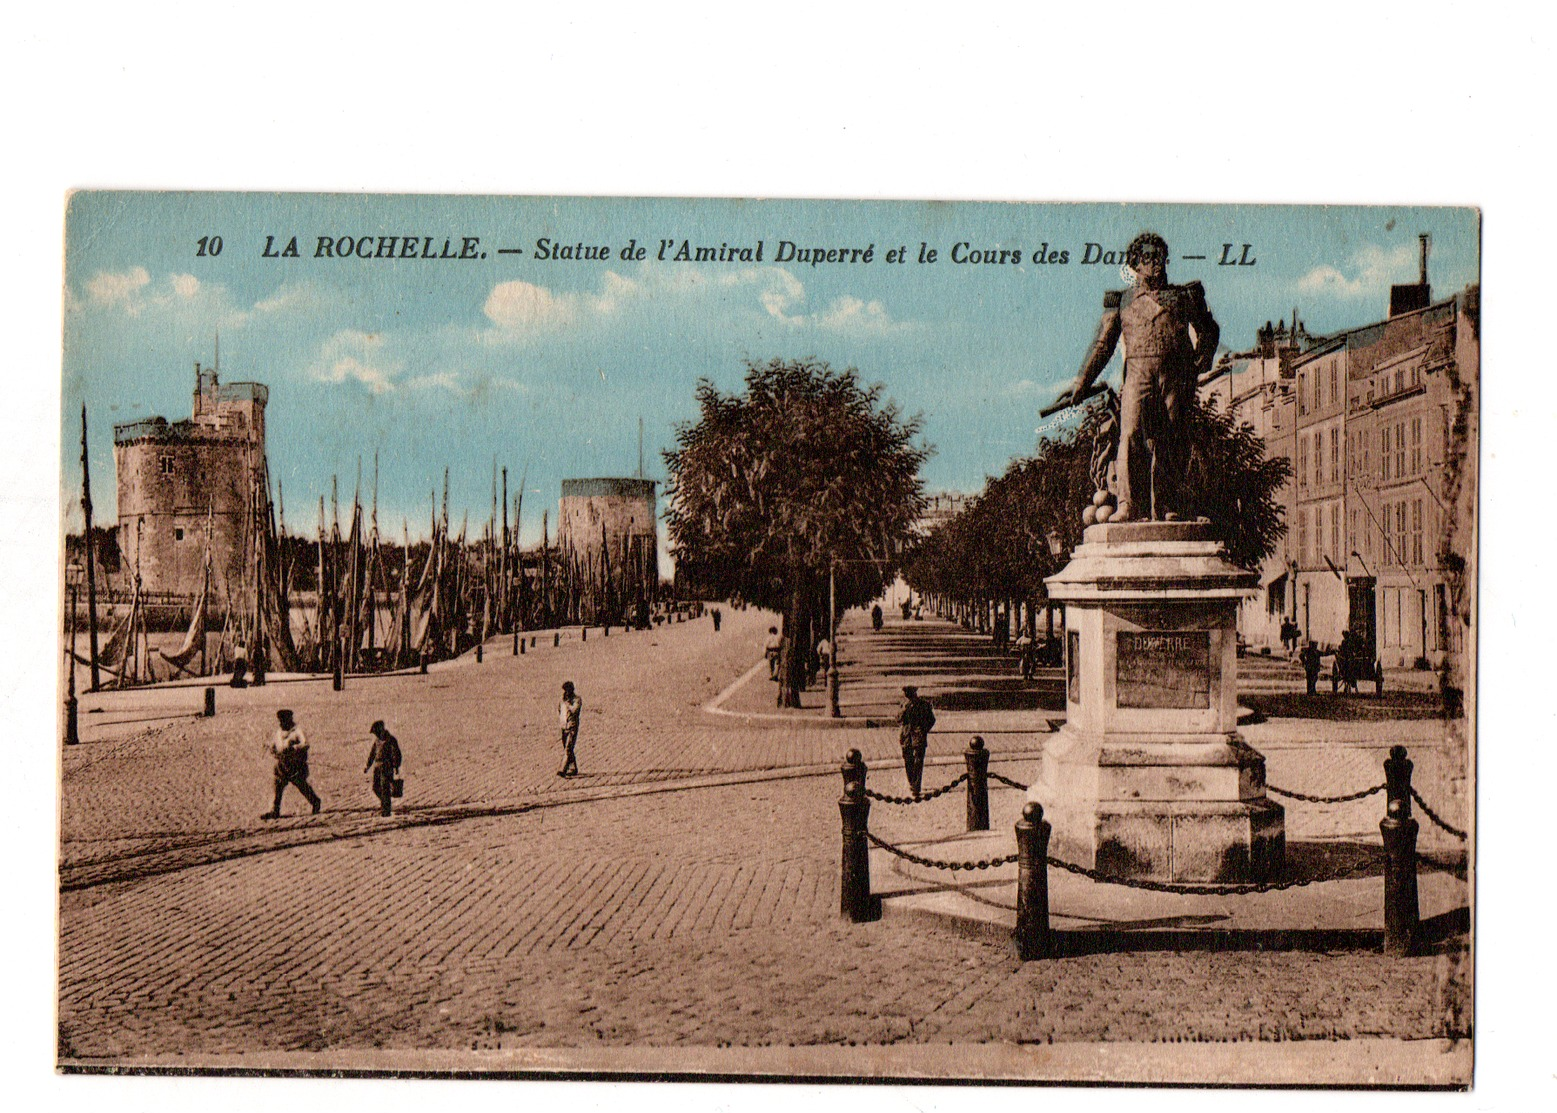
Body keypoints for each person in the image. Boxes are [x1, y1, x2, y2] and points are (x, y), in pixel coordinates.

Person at [1050, 233, 1220, 521]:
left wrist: (1203, 355)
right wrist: (1082, 382)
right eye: (1147, 258)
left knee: (1173, 436)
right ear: (1134, 265)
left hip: (1175, 374)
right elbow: (1102, 345)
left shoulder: (1184, 296)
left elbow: (1208, 329)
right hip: (1138, 373)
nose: (1155, 262)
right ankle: (1128, 505)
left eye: (1159, 256)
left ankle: (1167, 504)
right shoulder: (1122, 301)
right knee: (1129, 434)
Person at [262, 708, 321, 819]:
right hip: (282, 765)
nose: (281, 723)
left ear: (289, 719)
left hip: (296, 766)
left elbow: (305, 744)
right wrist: (272, 750)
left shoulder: (297, 731)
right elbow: (276, 746)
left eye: (283, 720)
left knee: (301, 786)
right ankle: (275, 810)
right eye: (280, 720)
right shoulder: (279, 732)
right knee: (277, 787)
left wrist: (294, 748)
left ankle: (315, 801)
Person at [897, 685, 936, 797]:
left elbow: (931, 720)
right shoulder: (903, 705)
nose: (908, 697)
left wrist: (924, 729)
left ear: (914, 694)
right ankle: (911, 781)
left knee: (918, 760)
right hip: (906, 736)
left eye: (909, 694)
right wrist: (904, 710)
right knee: (907, 759)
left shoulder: (924, 705)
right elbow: (898, 719)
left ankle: (916, 786)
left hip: (918, 735)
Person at [364, 720, 403, 817]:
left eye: (376, 732)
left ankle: (386, 810)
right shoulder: (377, 741)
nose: (375, 734)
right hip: (377, 767)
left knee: (385, 788)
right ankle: (385, 803)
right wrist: (368, 766)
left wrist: (396, 766)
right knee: (376, 788)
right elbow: (372, 754)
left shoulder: (391, 740)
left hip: (387, 767)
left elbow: (396, 754)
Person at [557, 681, 583, 777]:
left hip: (572, 726)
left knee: (568, 748)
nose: (566, 693)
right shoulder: (562, 700)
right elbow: (559, 710)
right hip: (564, 726)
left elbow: (575, 710)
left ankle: (562, 769)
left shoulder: (577, 699)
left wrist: (568, 705)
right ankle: (573, 767)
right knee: (568, 748)